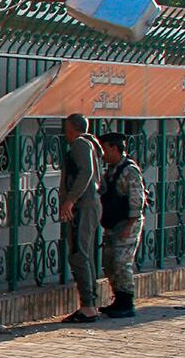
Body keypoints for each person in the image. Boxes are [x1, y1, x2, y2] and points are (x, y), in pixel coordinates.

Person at [58, 112, 102, 323]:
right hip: (88, 205)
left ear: (73, 128)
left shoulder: (81, 145)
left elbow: (85, 172)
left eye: (67, 127)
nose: (64, 132)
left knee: (78, 253)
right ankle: (90, 302)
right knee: (83, 253)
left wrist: (70, 200)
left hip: (83, 206)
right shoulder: (89, 145)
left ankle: (88, 305)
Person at [98, 131, 148, 318]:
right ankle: (118, 299)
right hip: (113, 223)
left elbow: (137, 199)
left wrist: (129, 226)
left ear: (114, 147)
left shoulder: (129, 170)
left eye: (104, 149)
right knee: (109, 263)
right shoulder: (111, 170)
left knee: (121, 262)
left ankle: (127, 303)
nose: (103, 153)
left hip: (127, 224)